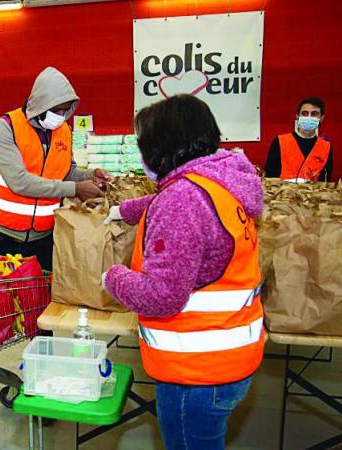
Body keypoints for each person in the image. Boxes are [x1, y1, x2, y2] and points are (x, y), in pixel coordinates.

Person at [103, 95, 264, 450]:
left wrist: (112, 276)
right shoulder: (220, 182)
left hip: (196, 372)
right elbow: (184, 201)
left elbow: (162, 296)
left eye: (144, 146)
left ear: (164, 147)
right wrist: (126, 210)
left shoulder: (182, 201)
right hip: (230, 357)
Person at [0, 66, 112, 272]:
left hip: (44, 237)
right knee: (1, 302)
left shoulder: (64, 131)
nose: (61, 116)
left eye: (65, 110)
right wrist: (76, 189)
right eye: (56, 110)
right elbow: (20, 182)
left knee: (42, 299)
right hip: (2, 236)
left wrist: (90, 175)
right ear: (40, 103)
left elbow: (67, 172)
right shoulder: (5, 127)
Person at [264, 96, 333, 182]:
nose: (308, 117)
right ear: (297, 116)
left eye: (314, 114)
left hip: (314, 194)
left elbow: (326, 181)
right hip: (283, 193)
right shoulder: (279, 141)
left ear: (321, 118)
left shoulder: (325, 147)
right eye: (304, 113)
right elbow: (269, 177)